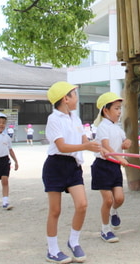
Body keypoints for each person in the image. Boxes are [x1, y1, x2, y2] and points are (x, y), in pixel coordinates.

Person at [42, 81, 101, 264]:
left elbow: (85, 139)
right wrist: (85, 145)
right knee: (55, 210)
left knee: (82, 205)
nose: (77, 97)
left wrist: (101, 149)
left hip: (73, 166)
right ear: (65, 99)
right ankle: (52, 250)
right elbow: (61, 146)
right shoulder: (54, 119)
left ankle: (73, 241)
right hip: (55, 166)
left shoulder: (75, 117)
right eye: (74, 94)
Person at [91, 92, 131, 243]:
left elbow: (124, 141)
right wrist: (121, 158)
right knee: (108, 200)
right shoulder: (102, 127)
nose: (119, 112)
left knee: (119, 198)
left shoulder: (117, 128)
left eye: (120, 108)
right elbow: (106, 147)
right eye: (116, 108)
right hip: (102, 166)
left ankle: (114, 212)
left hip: (115, 166)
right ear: (105, 111)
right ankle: (105, 229)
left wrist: (127, 143)